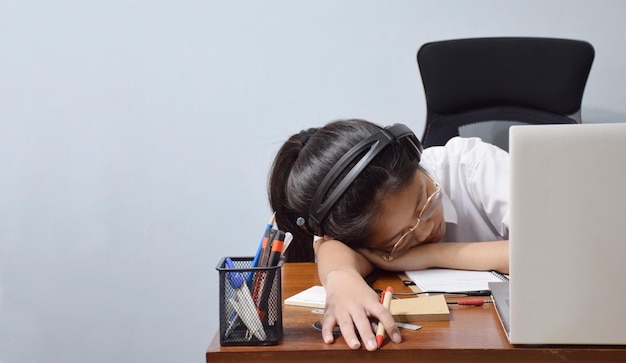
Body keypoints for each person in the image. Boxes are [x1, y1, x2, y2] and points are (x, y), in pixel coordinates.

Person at [268, 119, 509, 351]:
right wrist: (340, 279)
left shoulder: (474, 167)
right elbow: (330, 249)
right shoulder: (351, 222)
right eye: (401, 239)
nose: (425, 230)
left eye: (424, 202)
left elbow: (543, 251)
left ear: (415, 158)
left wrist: (430, 254)